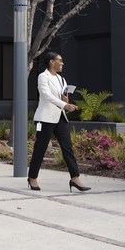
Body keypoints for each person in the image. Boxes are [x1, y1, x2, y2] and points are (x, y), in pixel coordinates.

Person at [27, 51, 90, 192]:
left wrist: (67, 101)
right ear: (51, 62)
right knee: (40, 149)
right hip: (45, 118)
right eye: (59, 60)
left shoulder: (61, 79)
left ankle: (75, 178)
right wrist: (64, 105)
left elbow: (62, 97)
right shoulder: (43, 77)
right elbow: (46, 95)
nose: (62, 63)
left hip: (60, 117)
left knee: (67, 148)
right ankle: (32, 177)